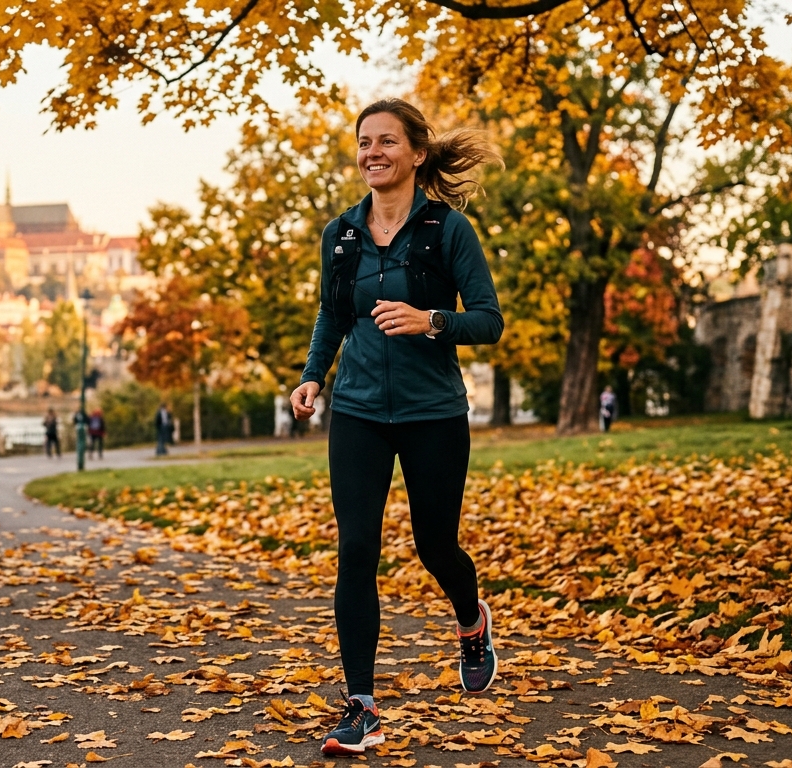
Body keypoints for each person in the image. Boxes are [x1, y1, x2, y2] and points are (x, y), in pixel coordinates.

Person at [289, 98, 504, 757]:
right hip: (357, 412)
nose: (372, 152)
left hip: (432, 412)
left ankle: (471, 622)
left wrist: (430, 320)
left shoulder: (448, 231)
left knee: (435, 546)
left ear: (416, 153)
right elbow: (333, 313)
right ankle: (362, 707)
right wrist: (313, 376)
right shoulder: (341, 234)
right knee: (356, 549)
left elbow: (489, 321)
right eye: (364, 142)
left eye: (386, 141)